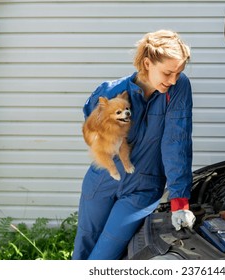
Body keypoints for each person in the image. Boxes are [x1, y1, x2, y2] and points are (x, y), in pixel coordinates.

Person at [72, 30, 196, 260]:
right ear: (147, 63)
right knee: (83, 248)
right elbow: (90, 126)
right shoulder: (113, 91)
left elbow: (176, 142)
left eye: (179, 72)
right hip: (102, 180)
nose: (173, 80)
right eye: (168, 73)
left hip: (143, 187)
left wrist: (180, 201)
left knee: (103, 257)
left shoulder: (178, 89)